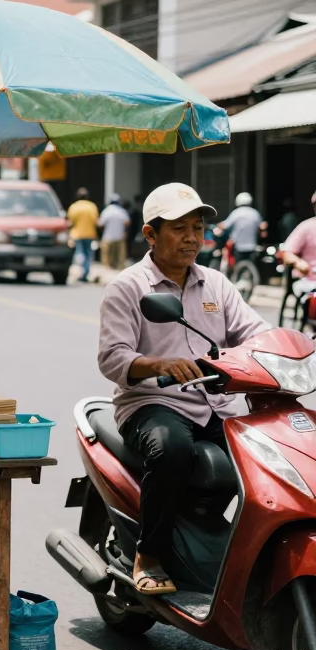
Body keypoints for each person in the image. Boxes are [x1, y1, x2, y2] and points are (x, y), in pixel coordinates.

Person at [98, 182, 267, 596]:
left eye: (198, 227)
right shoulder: (128, 287)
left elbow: (256, 332)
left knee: (270, 458)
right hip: (153, 403)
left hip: (217, 404)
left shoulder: (217, 285)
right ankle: (150, 554)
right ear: (150, 235)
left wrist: (287, 348)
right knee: (172, 449)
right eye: (179, 228)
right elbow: (112, 358)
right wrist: (158, 365)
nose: (193, 238)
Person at [214, 192, 263, 264]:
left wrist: (217, 225)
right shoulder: (255, 213)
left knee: (237, 266)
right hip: (252, 246)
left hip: (238, 247)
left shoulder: (236, 213)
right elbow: (260, 228)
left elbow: (225, 225)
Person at [67, 187, 99, 282]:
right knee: (88, 254)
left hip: (76, 234)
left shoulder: (74, 207)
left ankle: (77, 272)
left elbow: (70, 221)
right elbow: (96, 221)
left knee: (79, 252)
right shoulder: (92, 206)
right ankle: (85, 273)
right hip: (89, 234)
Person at [98, 194, 130, 271]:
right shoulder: (122, 211)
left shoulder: (106, 211)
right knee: (119, 258)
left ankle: (107, 273)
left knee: (107, 258)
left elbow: (100, 224)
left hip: (108, 238)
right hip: (119, 237)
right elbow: (128, 223)